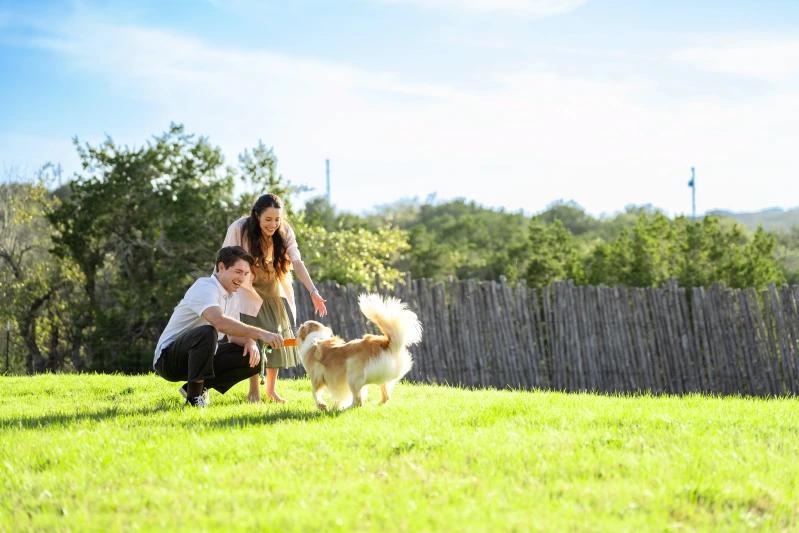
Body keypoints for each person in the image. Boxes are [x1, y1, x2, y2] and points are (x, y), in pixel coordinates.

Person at [222, 193, 327, 403]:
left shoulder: (284, 231)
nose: (273, 224)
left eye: (277, 219)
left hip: (272, 291)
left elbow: (297, 262)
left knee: (276, 340)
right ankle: (254, 391)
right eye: (268, 219)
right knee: (253, 340)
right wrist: (224, 290)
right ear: (257, 215)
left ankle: (271, 390)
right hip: (247, 292)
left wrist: (313, 291)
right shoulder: (239, 228)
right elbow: (225, 258)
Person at [153, 246, 284, 407]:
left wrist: (250, 341)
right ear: (221, 267)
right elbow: (219, 322)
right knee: (207, 332)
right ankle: (194, 400)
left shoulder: (233, 295)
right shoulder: (205, 287)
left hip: (200, 357)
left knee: (254, 359)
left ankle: (195, 388)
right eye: (238, 272)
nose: (242, 278)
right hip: (168, 360)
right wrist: (262, 334)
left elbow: (233, 336)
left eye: (245, 273)